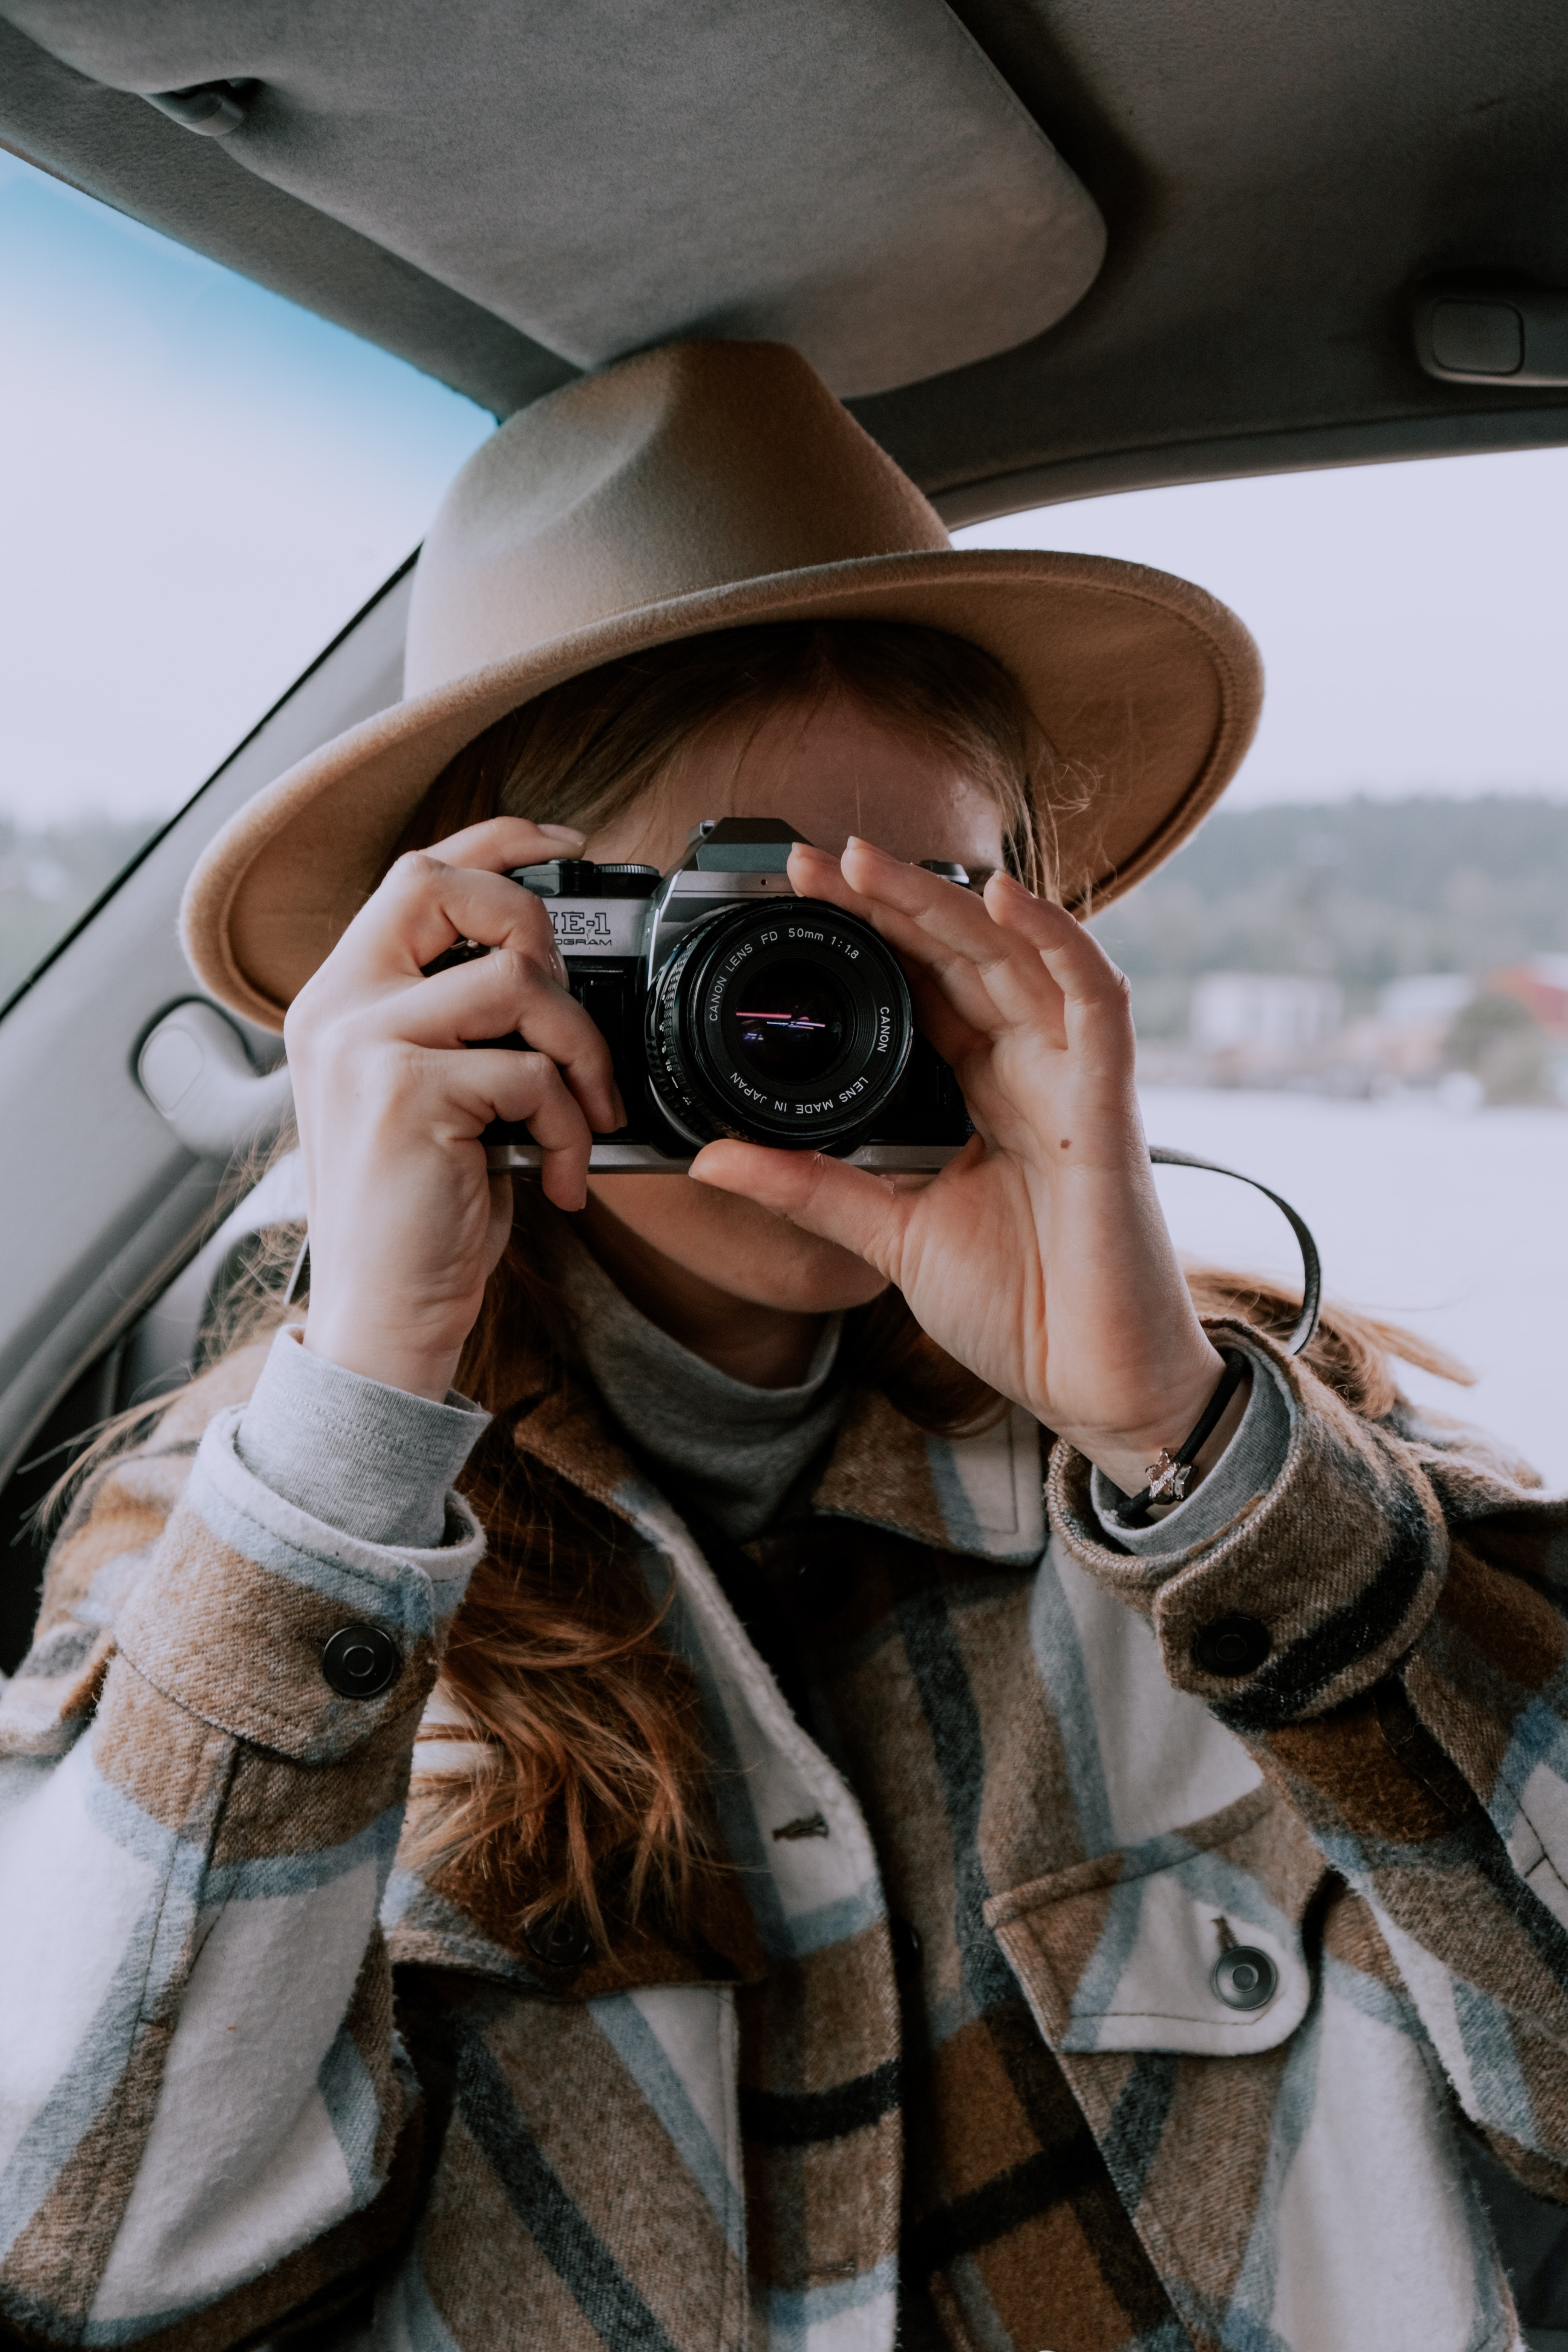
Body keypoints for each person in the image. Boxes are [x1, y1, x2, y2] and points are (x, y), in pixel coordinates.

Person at [1, 341, 1564, 2352]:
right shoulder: (255, 1539)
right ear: (480, 972)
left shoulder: (1262, 1467)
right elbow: (77, 2252)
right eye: (709, 936)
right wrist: (366, 1391)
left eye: (913, 925)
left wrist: (1184, 1444)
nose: (809, 1010)